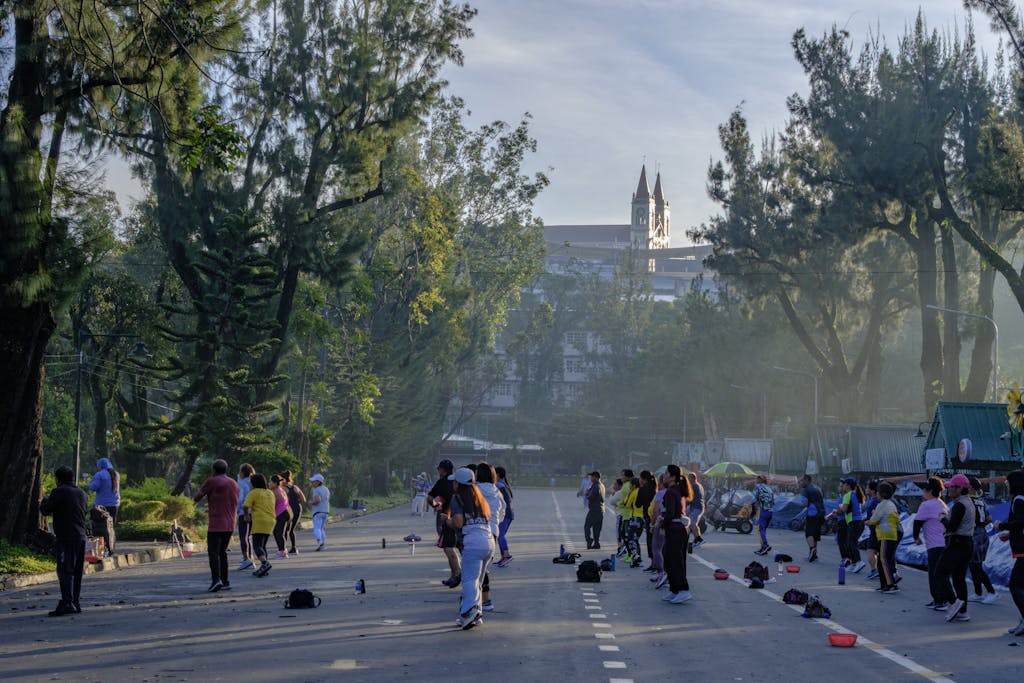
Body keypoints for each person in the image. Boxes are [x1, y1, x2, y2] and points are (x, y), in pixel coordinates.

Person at [444, 467, 493, 629]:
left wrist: (447, 521)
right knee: (477, 581)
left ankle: (468, 613)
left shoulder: (457, 499)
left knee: (469, 580)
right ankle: (476, 614)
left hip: (473, 544)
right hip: (488, 542)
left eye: (455, 482)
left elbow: (457, 522)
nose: (453, 485)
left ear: (459, 483)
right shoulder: (480, 499)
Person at [39, 465, 88, 616]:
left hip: (67, 537)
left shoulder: (59, 491)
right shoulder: (82, 493)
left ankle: (67, 603)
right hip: (81, 536)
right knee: (77, 572)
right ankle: (75, 602)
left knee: (65, 570)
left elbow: (46, 510)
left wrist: (44, 500)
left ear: (58, 479)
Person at [193, 459, 240, 592]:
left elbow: (197, 497)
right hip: (230, 523)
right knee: (222, 552)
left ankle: (216, 580)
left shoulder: (212, 481)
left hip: (216, 522)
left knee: (213, 552)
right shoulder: (233, 482)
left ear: (213, 470)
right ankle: (225, 581)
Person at [938, 473, 975, 622]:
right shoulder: (969, 502)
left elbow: (953, 526)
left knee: (940, 573)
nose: (949, 490)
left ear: (959, 488)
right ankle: (963, 611)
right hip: (967, 543)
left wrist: (943, 519)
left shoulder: (960, 504)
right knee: (959, 578)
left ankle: (953, 602)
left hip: (957, 543)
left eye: (951, 488)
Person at [993, 469, 1024, 636]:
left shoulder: (1018, 500)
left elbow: (1020, 521)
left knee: (1015, 585)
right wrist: (1011, 534)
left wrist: (1002, 526)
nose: (1007, 485)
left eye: (1008, 481)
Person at [914, 477, 953, 610]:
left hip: (934, 545)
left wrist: (915, 537)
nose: (923, 492)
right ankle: (940, 599)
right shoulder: (943, 504)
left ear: (929, 491)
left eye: (924, 490)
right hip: (944, 543)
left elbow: (917, 522)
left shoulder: (926, 505)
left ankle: (940, 600)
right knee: (942, 573)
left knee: (934, 573)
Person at [660, 464, 693, 604]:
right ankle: (675, 590)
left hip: (675, 529)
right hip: (678, 529)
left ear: (672, 476)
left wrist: (662, 525)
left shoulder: (671, 492)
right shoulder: (675, 490)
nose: (664, 476)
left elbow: (670, 513)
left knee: (675, 561)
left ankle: (683, 590)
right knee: (668, 558)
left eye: (666, 473)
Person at [475, 462, 505, 612]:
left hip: (477, 530)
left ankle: (477, 600)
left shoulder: (475, 490)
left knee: (474, 569)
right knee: (484, 568)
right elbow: (502, 512)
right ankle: (485, 600)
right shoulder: (497, 491)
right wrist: (494, 523)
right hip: (493, 532)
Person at [966, 475, 999, 604]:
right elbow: (989, 519)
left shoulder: (968, 501)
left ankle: (992, 591)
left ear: (970, 487)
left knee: (976, 566)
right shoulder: (981, 501)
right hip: (982, 532)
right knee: (974, 565)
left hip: (975, 534)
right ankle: (978, 592)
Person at [429, 459, 461, 587]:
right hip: (462, 519)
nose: (438, 471)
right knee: (457, 547)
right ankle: (453, 575)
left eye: (439, 468)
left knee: (448, 548)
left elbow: (430, 498)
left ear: (443, 470)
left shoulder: (442, 482)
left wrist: (435, 504)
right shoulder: (458, 482)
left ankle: (457, 574)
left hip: (448, 519)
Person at [865, 481, 900, 593]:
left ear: (882, 494)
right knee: (882, 561)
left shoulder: (882, 505)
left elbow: (874, 519)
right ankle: (884, 585)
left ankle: (891, 585)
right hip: (891, 535)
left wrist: (868, 522)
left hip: (885, 535)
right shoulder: (891, 504)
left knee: (883, 560)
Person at [243, 473, 276, 576]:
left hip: (259, 520)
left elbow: (245, 506)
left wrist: (246, 516)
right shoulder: (270, 493)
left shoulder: (254, 492)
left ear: (254, 483)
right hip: (271, 520)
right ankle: (264, 568)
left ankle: (265, 563)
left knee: (257, 545)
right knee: (263, 546)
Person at [87, 457, 120, 525]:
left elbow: (94, 487)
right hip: (114, 504)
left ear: (100, 466)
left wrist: (88, 483)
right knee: (111, 525)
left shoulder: (99, 475)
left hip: (101, 505)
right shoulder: (116, 474)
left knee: (100, 525)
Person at [799, 474, 825, 562]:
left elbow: (805, 504)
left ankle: (812, 549)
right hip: (821, 513)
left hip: (812, 513)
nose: (800, 482)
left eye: (801, 480)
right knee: (815, 534)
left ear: (806, 480)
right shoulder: (817, 488)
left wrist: (804, 503)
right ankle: (814, 555)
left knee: (809, 533)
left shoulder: (806, 490)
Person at [280, 470, 306, 555]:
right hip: (298, 508)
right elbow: (303, 499)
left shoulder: (283, 488)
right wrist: (296, 502)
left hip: (290, 509)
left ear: (283, 479)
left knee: (286, 529)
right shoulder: (295, 487)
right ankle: (294, 548)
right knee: (291, 529)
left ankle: (284, 548)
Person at [494, 466, 514, 566]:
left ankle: (506, 555)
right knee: (500, 535)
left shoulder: (498, 485)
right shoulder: (504, 484)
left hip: (505, 514)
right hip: (509, 514)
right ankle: (503, 557)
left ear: (497, 474)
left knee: (500, 535)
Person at [236, 463, 255, 570]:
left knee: (243, 536)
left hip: (244, 512)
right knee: (249, 536)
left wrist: (237, 510)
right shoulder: (252, 482)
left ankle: (246, 558)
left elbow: (240, 499)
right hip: (254, 512)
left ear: (242, 473)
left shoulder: (242, 483)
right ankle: (250, 556)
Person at [269, 474, 292, 558]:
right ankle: (283, 550)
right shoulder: (281, 489)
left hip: (282, 514)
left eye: (270, 482)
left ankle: (282, 552)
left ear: (275, 483)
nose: (269, 483)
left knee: (278, 533)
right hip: (286, 512)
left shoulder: (274, 492)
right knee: (278, 532)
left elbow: (271, 505)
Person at [752, 474, 774, 556]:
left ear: (761, 480)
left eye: (758, 478)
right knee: (763, 530)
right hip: (770, 511)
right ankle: (762, 548)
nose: (756, 480)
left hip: (763, 510)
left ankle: (765, 545)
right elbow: (773, 500)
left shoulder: (758, 487)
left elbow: (756, 498)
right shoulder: (769, 488)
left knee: (760, 529)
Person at [584, 471, 605, 550]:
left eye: (592, 477)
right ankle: (596, 543)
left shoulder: (596, 486)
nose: (591, 478)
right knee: (597, 527)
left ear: (596, 477)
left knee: (587, 526)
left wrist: (587, 494)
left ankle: (589, 540)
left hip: (594, 509)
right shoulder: (602, 485)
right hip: (601, 509)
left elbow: (591, 497)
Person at [308, 474, 330, 550]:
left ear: (318, 482)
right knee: (321, 528)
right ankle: (323, 545)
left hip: (318, 511)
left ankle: (320, 542)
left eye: (313, 482)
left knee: (317, 528)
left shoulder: (316, 490)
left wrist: (311, 502)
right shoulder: (326, 489)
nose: (312, 483)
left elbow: (317, 500)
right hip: (326, 511)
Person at [686, 471, 705, 550]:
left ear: (693, 478)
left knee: (693, 523)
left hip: (696, 507)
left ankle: (698, 539)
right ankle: (696, 539)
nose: (687, 479)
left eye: (689, 478)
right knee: (692, 523)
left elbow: (689, 498)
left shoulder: (693, 486)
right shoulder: (699, 485)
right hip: (698, 506)